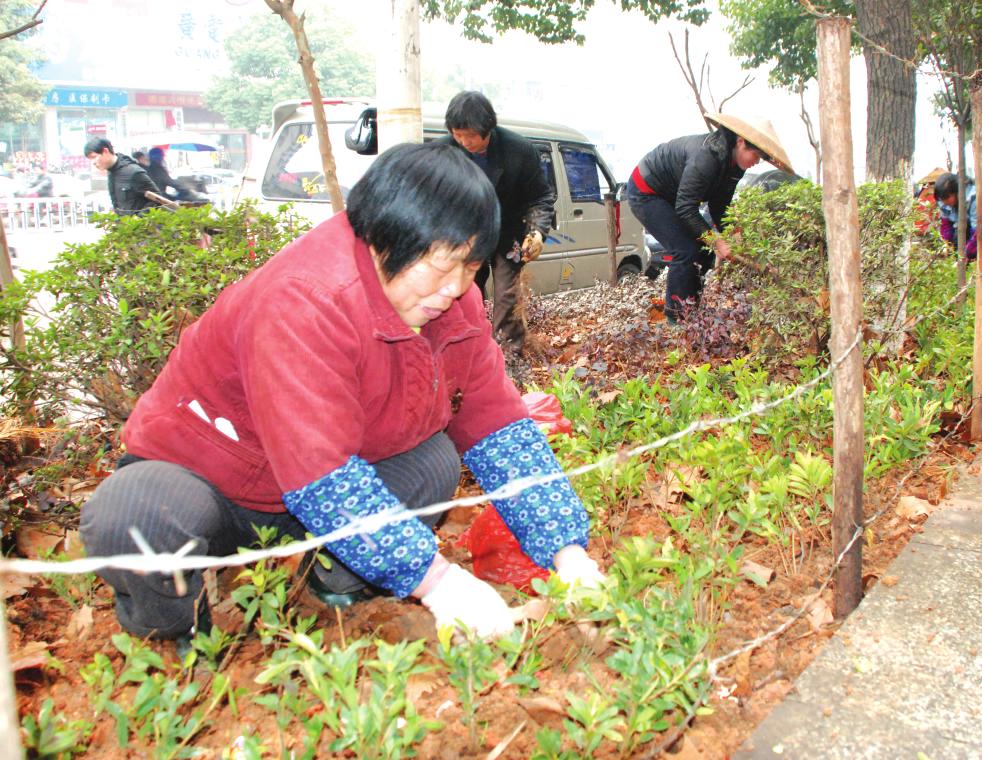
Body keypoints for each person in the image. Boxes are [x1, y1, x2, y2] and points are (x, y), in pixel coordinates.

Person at [79, 142, 604, 646]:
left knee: (433, 462)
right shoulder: (306, 299)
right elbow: (323, 476)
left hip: (312, 497)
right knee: (136, 515)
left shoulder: (454, 307)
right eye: (441, 266)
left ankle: (333, 579)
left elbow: (498, 429)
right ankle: (176, 632)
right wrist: (439, 581)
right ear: (385, 238)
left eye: (470, 267)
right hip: (214, 484)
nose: (455, 287)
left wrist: (569, 555)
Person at [627, 113, 793, 323]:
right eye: (756, 155)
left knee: (704, 252)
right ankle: (675, 320)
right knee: (685, 250)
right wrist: (718, 241)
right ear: (741, 142)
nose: (757, 162)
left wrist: (732, 234)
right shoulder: (706, 157)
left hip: (674, 196)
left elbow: (719, 206)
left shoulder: (735, 166)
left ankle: (692, 312)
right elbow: (686, 208)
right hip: (647, 191)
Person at [441, 91, 555, 352]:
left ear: (488, 127)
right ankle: (468, 351)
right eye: (458, 135)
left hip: (509, 232)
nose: (464, 141)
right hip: (465, 235)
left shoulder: (519, 150)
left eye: (471, 135)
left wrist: (537, 232)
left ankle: (509, 356)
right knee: (465, 293)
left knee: (507, 294)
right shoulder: (444, 151)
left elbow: (541, 196)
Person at [84, 137, 161, 215]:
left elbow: (157, 199)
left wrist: (138, 219)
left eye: (94, 157)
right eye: (90, 159)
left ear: (105, 151)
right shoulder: (111, 172)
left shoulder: (132, 172)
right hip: (123, 225)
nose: (93, 162)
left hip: (139, 226)